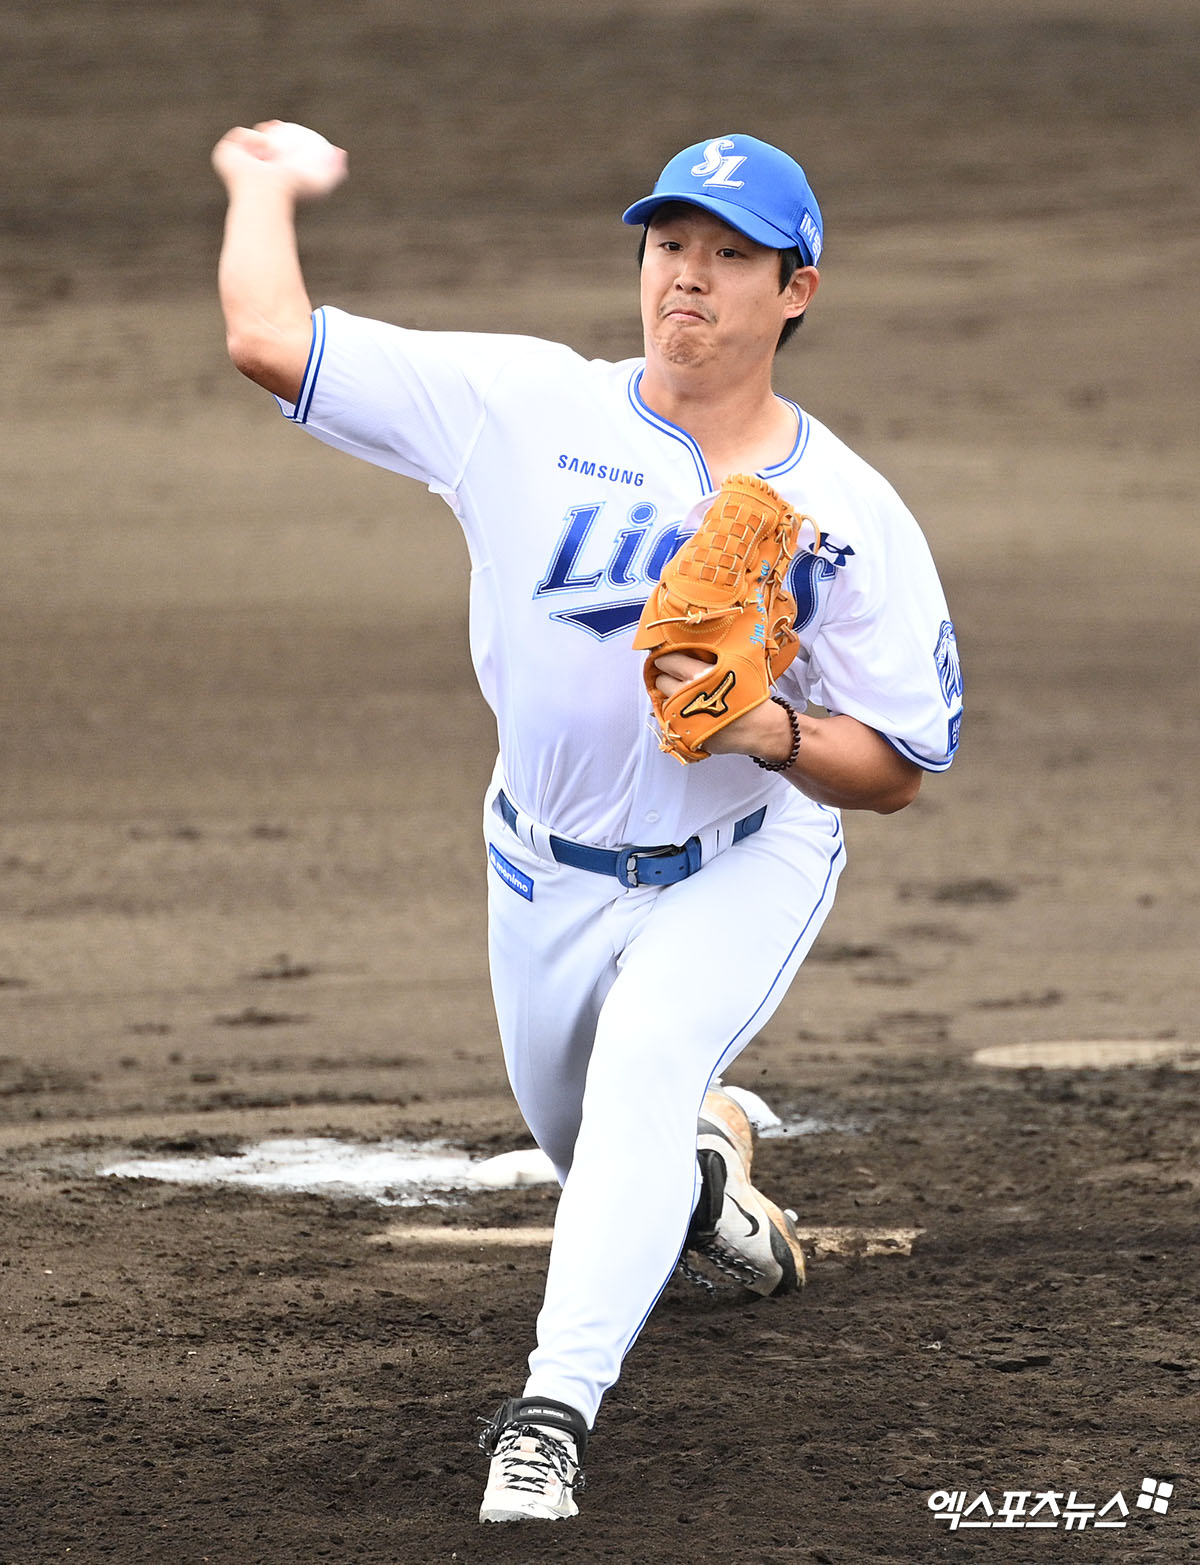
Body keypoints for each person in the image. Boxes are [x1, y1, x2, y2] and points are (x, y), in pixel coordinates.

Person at [212, 125, 963, 1524]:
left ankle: (548, 1418)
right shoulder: (525, 406)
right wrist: (262, 180)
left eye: (729, 254)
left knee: (640, 1075)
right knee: (597, 1150)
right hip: (538, 868)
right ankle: (706, 1188)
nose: (689, 276)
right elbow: (270, 340)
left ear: (795, 291)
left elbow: (899, 768)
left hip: (742, 861)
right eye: (670, 244)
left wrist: (770, 731)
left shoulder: (847, 512)